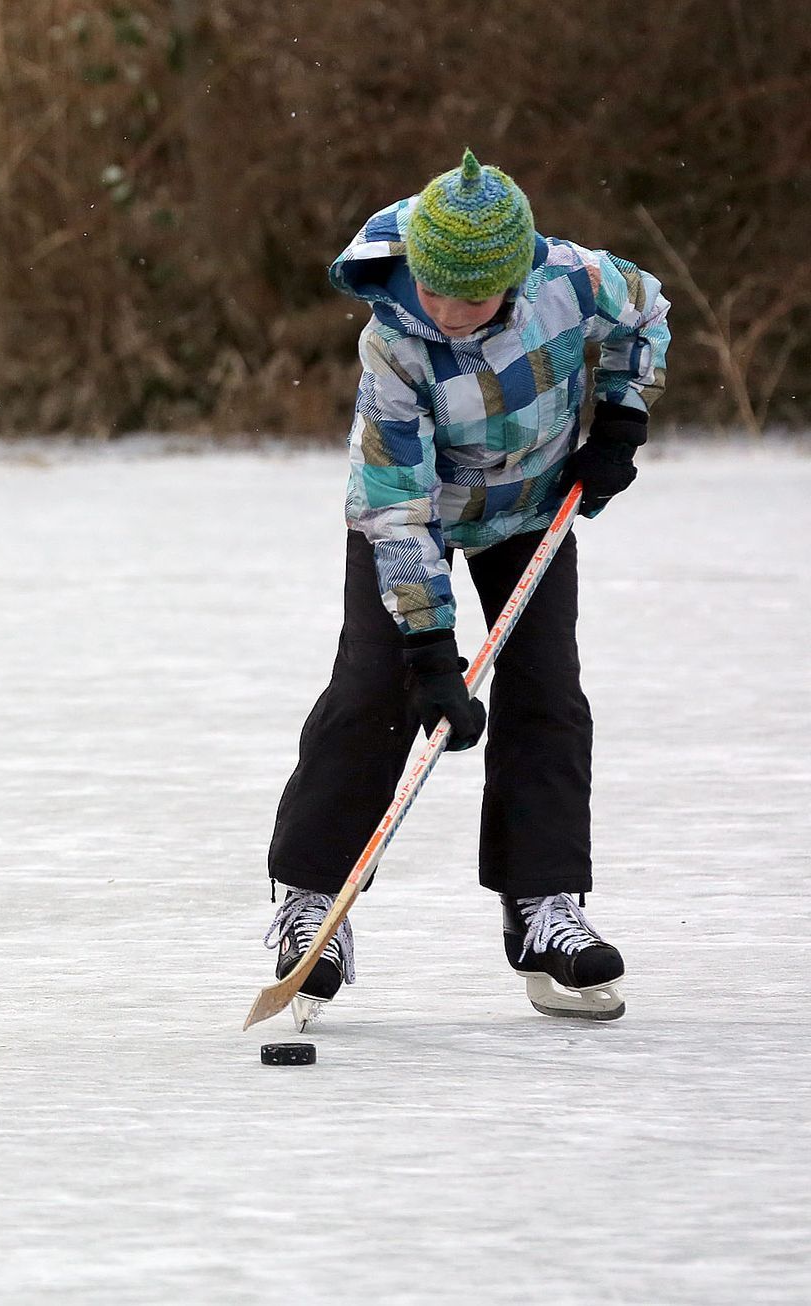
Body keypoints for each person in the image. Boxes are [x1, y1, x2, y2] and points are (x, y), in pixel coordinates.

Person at [262, 150, 670, 1025]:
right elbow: (397, 507)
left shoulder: (576, 282)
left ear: (515, 278)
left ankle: (544, 905)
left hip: (531, 510)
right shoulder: (393, 344)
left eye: (469, 297)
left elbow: (649, 311)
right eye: (432, 289)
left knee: (548, 693)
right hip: (412, 518)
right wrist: (427, 650)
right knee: (374, 690)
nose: (444, 312)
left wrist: (623, 416)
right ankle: (311, 906)